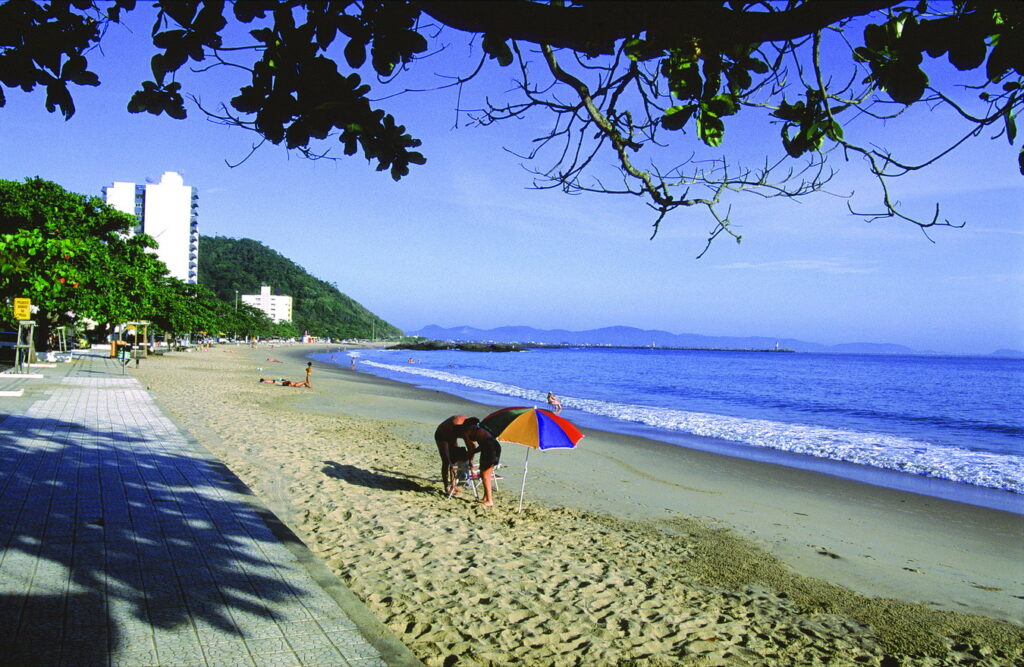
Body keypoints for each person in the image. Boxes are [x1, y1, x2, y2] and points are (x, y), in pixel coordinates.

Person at [458, 420, 502, 507]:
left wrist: (470, 462)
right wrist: (474, 451)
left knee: (486, 475)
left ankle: (489, 500)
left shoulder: (468, 432)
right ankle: (485, 498)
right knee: (483, 473)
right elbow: (482, 445)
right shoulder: (479, 430)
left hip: (491, 449)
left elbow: (472, 448)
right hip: (490, 447)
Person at [434, 415, 475, 494]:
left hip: (453, 435)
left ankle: (453, 485)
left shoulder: (471, 428)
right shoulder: (456, 424)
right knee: (447, 461)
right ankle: (446, 487)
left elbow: (471, 447)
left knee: (455, 461)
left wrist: (471, 463)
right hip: (442, 435)